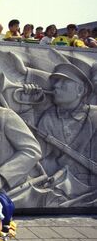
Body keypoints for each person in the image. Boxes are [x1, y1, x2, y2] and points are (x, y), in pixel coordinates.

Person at [37, 64, 96, 193]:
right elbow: (38, 157)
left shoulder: (94, 117)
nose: (56, 86)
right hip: (60, 186)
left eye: (64, 83)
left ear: (80, 90)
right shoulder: (48, 118)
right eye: (56, 82)